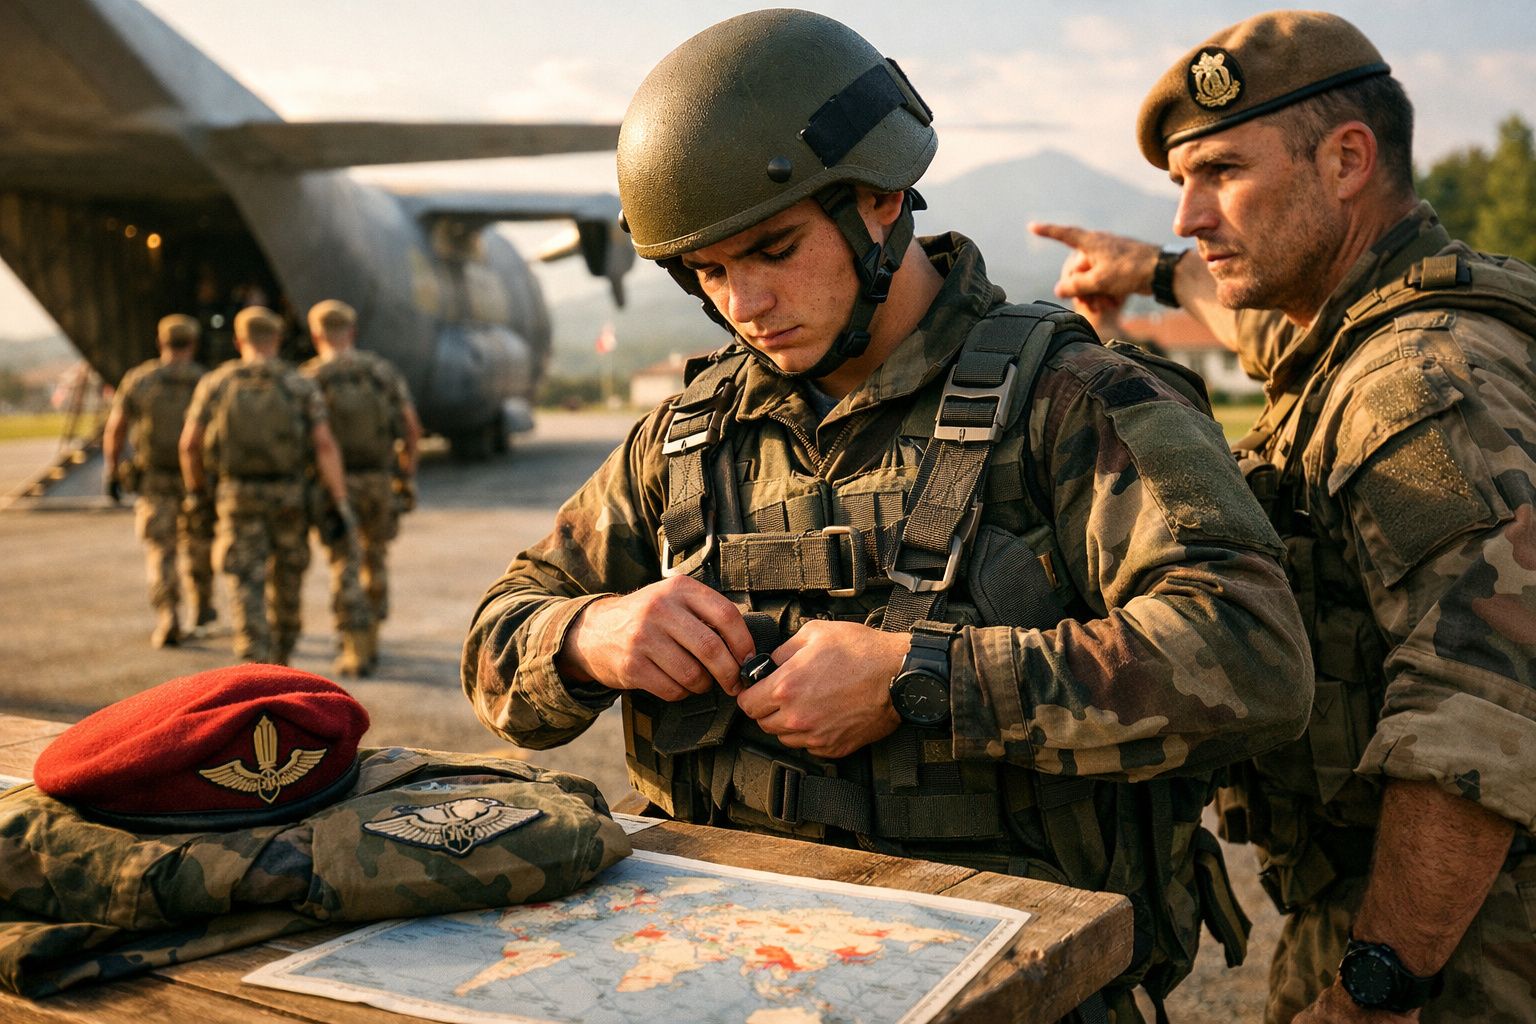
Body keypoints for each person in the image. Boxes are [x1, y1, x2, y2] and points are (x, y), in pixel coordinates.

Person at [462, 11, 1312, 1020]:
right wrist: (588, 634)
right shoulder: (688, 436)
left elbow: (1256, 659)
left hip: (1009, 985)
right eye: (711, 271)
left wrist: (921, 678)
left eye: (773, 248)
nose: (745, 301)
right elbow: (498, 641)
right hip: (724, 974)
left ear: (882, 200)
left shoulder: (1077, 401)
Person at [1030, 11, 1536, 1022]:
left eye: (1219, 171)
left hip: (1466, 948)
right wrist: (1152, 276)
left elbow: (1481, 718)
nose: (1189, 214)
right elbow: (1279, 338)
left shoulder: (1417, 386)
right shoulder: (1380, 316)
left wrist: (1374, 991)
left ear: (1348, 160)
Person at [180, 306, 357, 666]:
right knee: (287, 580)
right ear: (276, 338)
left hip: (236, 497)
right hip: (289, 499)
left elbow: (189, 445)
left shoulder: (217, 383)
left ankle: (253, 660)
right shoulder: (298, 384)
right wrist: (338, 500)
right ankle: (282, 656)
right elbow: (324, 445)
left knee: (244, 583)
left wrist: (198, 494)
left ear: (239, 340)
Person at [300, 299, 422, 677]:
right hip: (379, 481)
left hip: (336, 484)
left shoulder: (309, 378)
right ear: (351, 332)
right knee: (376, 557)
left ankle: (354, 645)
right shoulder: (380, 372)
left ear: (317, 334)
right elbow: (411, 427)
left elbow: (313, 440)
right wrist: (406, 474)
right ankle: (372, 633)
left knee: (345, 564)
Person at [102, 313, 215, 647]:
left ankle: (168, 617)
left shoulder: (140, 380)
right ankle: (203, 607)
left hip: (153, 480)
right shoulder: (205, 381)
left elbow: (116, 429)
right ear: (193, 343)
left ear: (161, 342)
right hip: (196, 478)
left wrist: (112, 470)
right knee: (200, 545)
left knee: (160, 551)